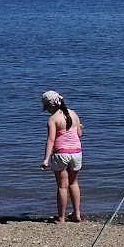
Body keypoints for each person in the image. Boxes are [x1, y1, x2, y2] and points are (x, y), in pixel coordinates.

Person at [39, 89, 83, 223]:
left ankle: (61, 218)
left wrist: (46, 159)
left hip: (61, 154)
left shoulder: (53, 119)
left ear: (50, 105)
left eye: (46, 107)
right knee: (74, 183)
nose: (46, 110)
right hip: (76, 152)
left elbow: (51, 140)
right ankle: (76, 214)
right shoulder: (73, 114)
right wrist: (80, 127)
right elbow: (79, 134)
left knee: (62, 186)